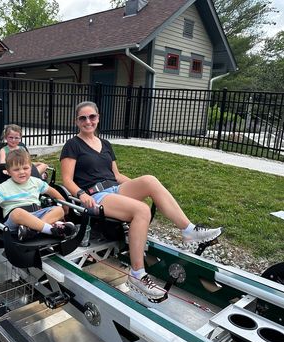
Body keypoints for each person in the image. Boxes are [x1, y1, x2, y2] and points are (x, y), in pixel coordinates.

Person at [60, 101, 223, 302]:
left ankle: (188, 230)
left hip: (114, 189)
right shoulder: (73, 145)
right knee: (142, 210)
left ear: (98, 118)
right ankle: (137, 274)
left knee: (150, 180)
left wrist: (143, 188)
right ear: (76, 121)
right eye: (83, 118)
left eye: (92, 116)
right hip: (96, 196)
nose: (88, 121)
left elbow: (117, 175)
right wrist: (81, 194)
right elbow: (66, 179)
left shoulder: (106, 144)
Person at [0, 149, 76, 240]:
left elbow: (53, 192)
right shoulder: (3, 187)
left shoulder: (36, 182)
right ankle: (51, 229)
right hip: (16, 221)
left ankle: (33, 230)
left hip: (37, 215)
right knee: (17, 213)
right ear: (8, 172)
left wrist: (64, 204)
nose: (22, 172)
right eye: (16, 169)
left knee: (59, 210)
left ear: (31, 167)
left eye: (25, 168)